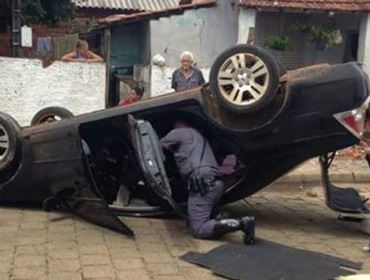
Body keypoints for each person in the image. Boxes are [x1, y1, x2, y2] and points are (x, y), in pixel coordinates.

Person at [160, 120, 255, 243]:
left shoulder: (179, 132)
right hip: (215, 183)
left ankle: (242, 223)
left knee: (198, 229)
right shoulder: (200, 137)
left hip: (203, 183)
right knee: (193, 218)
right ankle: (222, 217)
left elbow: (156, 147)